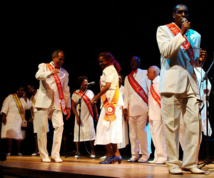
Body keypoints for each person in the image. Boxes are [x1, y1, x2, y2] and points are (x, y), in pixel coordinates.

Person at [156, 4, 207, 174]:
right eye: (180, 12)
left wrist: (200, 61)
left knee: (194, 125)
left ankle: (190, 162)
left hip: (191, 84)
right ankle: (173, 163)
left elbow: (193, 63)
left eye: (186, 12)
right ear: (173, 15)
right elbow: (166, 52)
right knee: (171, 126)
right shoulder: (163, 30)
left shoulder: (196, 35)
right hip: (171, 84)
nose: (183, 14)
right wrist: (181, 33)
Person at [35, 50, 71, 163]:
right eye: (59, 59)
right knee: (42, 129)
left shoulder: (65, 72)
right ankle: (44, 154)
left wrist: (68, 105)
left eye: (63, 59)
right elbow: (38, 76)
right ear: (53, 58)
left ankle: (55, 154)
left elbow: (66, 90)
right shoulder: (44, 66)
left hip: (58, 102)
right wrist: (50, 73)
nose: (61, 61)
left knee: (59, 126)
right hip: (44, 101)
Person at [91, 52, 123, 164]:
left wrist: (96, 96)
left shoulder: (108, 69)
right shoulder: (112, 69)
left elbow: (108, 85)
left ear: (109, 60)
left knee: (104, 128)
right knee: (110, 128)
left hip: (111, 103)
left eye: (102, 61)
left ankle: (111, 154)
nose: (100, 63)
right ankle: (116, 154)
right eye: (99, 62)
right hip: (111, 102)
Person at [123, 56, 150, 163]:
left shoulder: (145, 73)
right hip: (131, 109)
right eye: (131, 61)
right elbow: (126, 94)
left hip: (143, 108)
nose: (133, 63)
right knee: (132, 134)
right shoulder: (127, 77)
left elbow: (148, 90)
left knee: (142, 133)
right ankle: (134, 155)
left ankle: (145, 155)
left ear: (139, 63)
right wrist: (125, 107)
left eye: (135, 61)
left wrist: (149, 109)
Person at [180, 67, 212, 150]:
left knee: (195, 129)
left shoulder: (199, 70)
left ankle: (195, 154)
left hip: (197, 102)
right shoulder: (179, 69)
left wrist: (206, 89)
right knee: (182, 129)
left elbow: (207, 84)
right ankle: (186, 153)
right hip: (182, 102)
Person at [71, 76, 98, 158]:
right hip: (80, 116)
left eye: (87, 82)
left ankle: (92, 151)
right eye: (84, 82)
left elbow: (94, 105)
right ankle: (77, 151)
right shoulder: (76, 93)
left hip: (89, 115)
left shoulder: (90, 92)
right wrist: (77, 116)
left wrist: (96, 114)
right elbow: (73, 106)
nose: (86, 84)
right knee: (78, 133)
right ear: (80, 84)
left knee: (90, 132)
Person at [1, 86, 31, 156]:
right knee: (10, 135)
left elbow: (28, 106)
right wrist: (4, 116)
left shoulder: (23, 99)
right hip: (10, 117)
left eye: (23, 91)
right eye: (20, 90)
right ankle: (9, 150)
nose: (22, 92)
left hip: (19, 119)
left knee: (19, 135)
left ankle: (18, 151)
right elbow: (5, 106)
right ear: (17, 90)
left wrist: (25, 97)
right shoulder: (10, 97)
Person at [147, 66, 167, 164]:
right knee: (154, 136)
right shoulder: (152, 82)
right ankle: (157, 156)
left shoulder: (160, 81)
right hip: (152, 114)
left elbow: (162, 98)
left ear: (154, 72)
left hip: (158, 113)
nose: (147, 74)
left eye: (148, 72)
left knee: (159, 136)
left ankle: (163, 156)